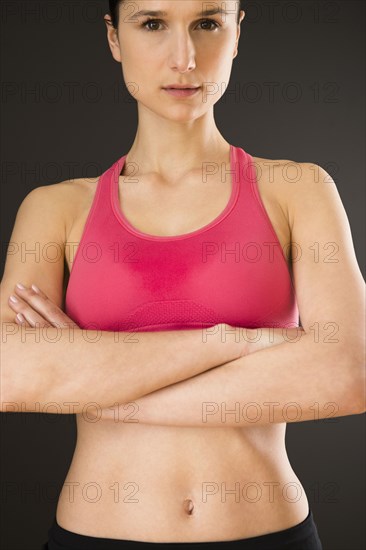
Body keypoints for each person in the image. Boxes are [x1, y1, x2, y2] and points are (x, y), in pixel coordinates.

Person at [1, 1, 364, 549]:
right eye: (152, 24)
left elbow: (346, 373)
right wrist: (232, 344)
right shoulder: (54, 209)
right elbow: (13, 375)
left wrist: (90, 378)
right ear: (114, 38)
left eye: (207, 24)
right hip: (96, 535)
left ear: (237, 34)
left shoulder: (299, 189)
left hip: (268, 535)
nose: (185, 58)